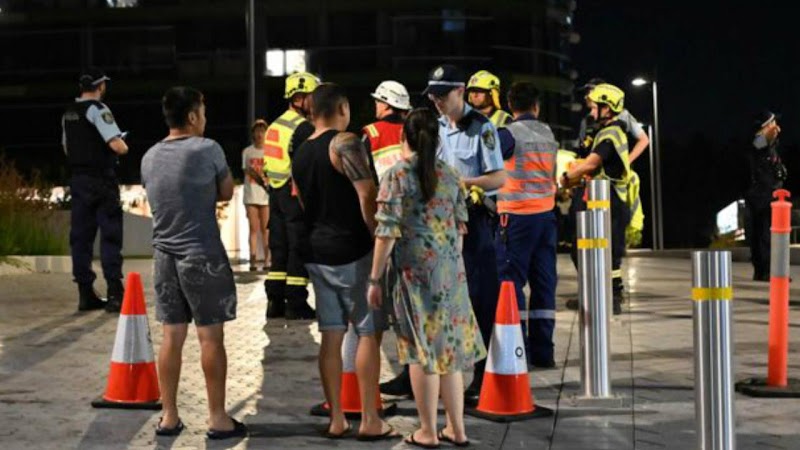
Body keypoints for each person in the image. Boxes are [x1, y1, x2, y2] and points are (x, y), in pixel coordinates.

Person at [368, 107, 486, 448]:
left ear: (405, 136)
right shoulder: (450, 176)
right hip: (451, 273)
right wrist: (449, 264)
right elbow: (460, 229)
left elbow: (386, 232)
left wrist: (375, 279)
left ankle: (428, 432)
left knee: (421, 352)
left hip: (415, 275)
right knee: (449, 350)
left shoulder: (397, 175)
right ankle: (457, 429)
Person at [291, 83, 396, 441]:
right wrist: (376, 239)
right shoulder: (345, 142)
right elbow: (366, 193)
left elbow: (303, 202)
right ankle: (370, 419)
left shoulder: (301, 151)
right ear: (342, 107)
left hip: (318, 254)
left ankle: (336, 418)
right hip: (353, 251)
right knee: (368, 333)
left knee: (330, 337)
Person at [141, 86, 247, 440]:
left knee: (171, 336)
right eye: (202, 112)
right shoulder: (208, 149)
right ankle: (218, 418)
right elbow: (227, 191)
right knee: (210, 338)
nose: (205, 118)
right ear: (191, 117)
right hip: (201, 253)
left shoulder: (149, 156)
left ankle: (168, 417)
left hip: (163, 257)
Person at [424, 64, 506, 405]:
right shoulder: (435, 126)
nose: (437, 102)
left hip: (474, 224)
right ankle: (434, 372)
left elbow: (498, 178)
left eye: (442, 95)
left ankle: (483, 372)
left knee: (479, 298)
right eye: (433, 95)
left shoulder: (482, 128)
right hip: (439, 225)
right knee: (438, 300)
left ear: (460, 91)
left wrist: (464, 183)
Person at [495, 82, 558, 368]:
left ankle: (516, 348)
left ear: (510, 105)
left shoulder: (508, 134)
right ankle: (544, 353)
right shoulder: (548, 133)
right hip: (546, 217)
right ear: (537, 106)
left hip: (516, 217)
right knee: (544, 284)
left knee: (511, 284)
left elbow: (488, 164)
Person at [61, 67, 128, 313]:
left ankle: (85, 293)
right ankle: (115, 293)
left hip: (78, 181)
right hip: (102, 180)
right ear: (100, 86)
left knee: (80, 237)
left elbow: (67, 148)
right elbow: (117, 145)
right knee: (110, 235)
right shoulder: (98, 110)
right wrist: (123, 144)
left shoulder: (69, 112)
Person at [562, 83, 632, 315]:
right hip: (600, 199)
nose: (591, 112)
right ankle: (594, 293)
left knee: (607, 252)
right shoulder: (603, 132)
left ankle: (610, 296)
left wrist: (565, 177)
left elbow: (592, 163)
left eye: (595, 108)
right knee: (584, 247)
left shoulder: (611, 134)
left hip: (610, 200)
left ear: (608, 108)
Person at [262, 72, 318, 320]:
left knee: (279, 246)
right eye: (311, 97)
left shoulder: (275, 125)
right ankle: (296, 302)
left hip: (275, 192)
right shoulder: (302, 127)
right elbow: (305, 165)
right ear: (299, 98)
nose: (314, 103)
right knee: (299, 245)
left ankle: (275, 302)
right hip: (294, 193)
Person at [746, 110, 786, 281]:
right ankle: (764, 270)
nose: (776, 126)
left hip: (769, 193)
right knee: (762, 233)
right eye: (772, 123)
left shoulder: (768, 145)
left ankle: (765, 270)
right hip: (760, 195)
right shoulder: (757, 142)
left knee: (765, 233)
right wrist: (770, 132)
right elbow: (759, 143)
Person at [362, 80, 412, 182]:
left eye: (377, 100)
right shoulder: (414, 129)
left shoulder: (373, 132)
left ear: (386, 104)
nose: (375, 104)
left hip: (383, 194)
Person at [241, 119, 270, 271]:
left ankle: (267, 260)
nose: (259, 134)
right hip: (251, 194)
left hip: (266, 196)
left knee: (266, 229)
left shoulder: (270, 151)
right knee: (253, 228)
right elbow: (247, 170)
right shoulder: (247, 151)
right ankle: (252, 261)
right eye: (257, 131)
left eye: (262, 130)